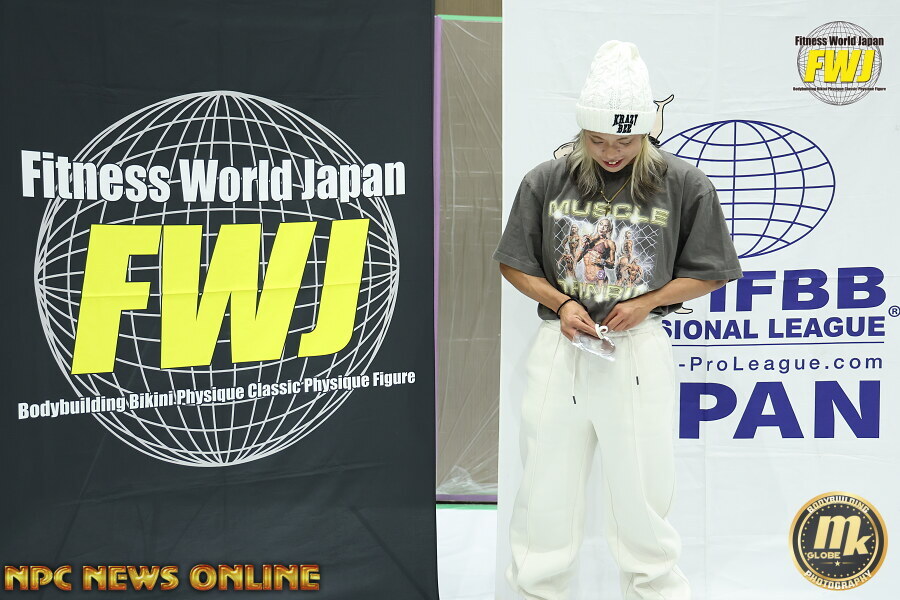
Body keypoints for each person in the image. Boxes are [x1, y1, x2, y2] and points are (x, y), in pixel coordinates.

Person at [493, 40, 742, 600]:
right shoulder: (545, 180)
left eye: (624, 141)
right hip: (560, 346)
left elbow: (712, 272)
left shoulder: (684, 185)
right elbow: (515, 262)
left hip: (637, 348)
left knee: (642, 489)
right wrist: (562, 303)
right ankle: (535, 591)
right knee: (545, 488)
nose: (610, 152)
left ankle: (656, 591)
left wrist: (649, 301)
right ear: (582, 131)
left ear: (647, 131)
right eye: (598, 139)